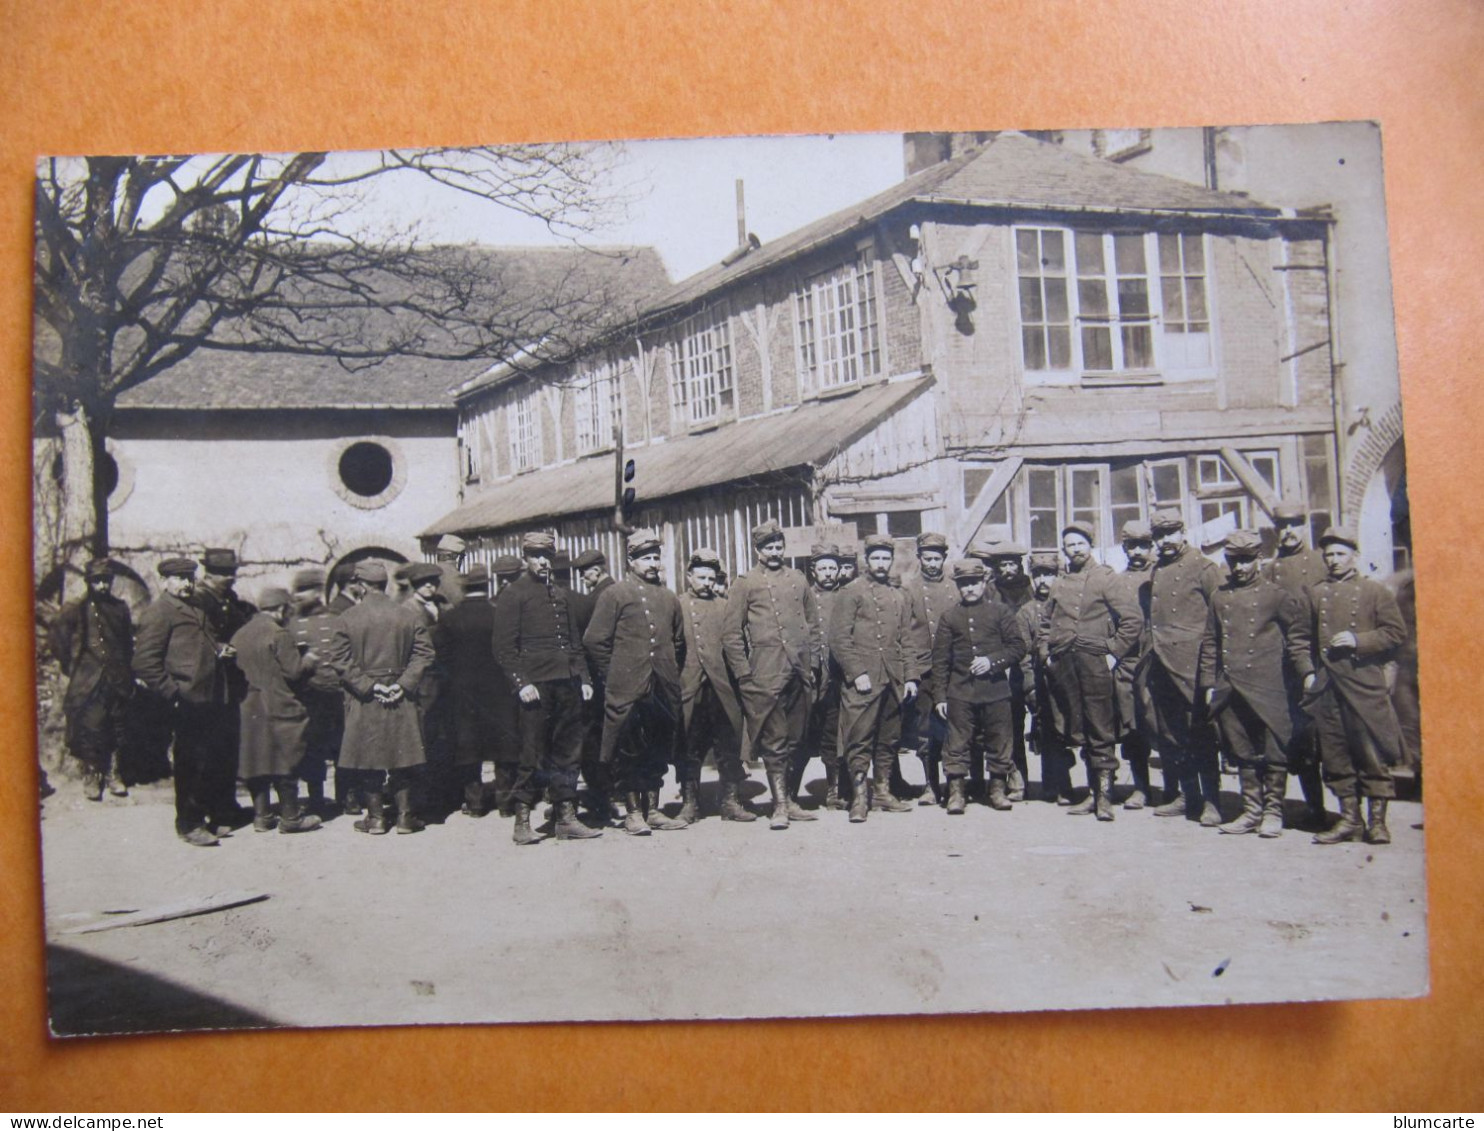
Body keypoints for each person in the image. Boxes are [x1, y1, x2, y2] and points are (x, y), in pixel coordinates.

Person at [1296, 525, 1409, 846]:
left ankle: (1377, 823)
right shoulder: (1315, 593)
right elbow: (1299, 639)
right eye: (1329, 554)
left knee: (1371, 754)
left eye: (1340, 554)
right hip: (1327, 687)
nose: (1333, 560)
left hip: (1364, 685)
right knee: (1335, 755)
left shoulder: (1375, 592)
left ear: (1355, 556)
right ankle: (1349, 819)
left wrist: (1359, 640)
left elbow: (1395, 633)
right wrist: (1307, 673)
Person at [1197, 530, 1311, 838]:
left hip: (1270, 686)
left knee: (1275, 749)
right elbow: (1210, 642)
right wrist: (1209, 683)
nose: (1239, 568)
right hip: (1231, 686)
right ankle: (1251, 811)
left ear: (1258, 560)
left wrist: (1301, 675)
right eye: (1234, 561)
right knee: (1242, 750)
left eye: (1246, 561)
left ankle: (1273, 811)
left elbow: (1297, 637)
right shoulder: (1219, 597)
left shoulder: (1277, 596)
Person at [491, 532, 597, 844]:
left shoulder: (561, 594)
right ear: (526, 557)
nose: (542, 561)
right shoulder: (514, 594)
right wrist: (521, 683)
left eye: (547, 556)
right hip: (535, 687)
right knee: (532, 752)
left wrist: (585, 679)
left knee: (568, 751)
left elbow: (574, 643)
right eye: (536, 555)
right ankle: (522, 820)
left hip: (566, 683)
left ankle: (565, 816)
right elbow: (503, 648)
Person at [584, 529, 688, 835]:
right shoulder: (615, 595)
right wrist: (615, 673)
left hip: (662, 687)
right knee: (629, 749)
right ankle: (632, 814)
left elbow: (679, 643)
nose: (653, 563)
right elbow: (594, 641)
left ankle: (653, 810)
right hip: (628, 689)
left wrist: (667, 671)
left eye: (656, 557)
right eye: (646, 558)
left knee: (657, 749)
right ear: (631, 561)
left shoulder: (669, 598)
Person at [721, 519, 822, 830]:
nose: (775, 552)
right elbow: (731, 634)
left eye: (779, 546)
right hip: (764, 674)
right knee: (774, 740)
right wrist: (744, 674)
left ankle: (790, 799)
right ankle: (779, 805)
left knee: (795, 738)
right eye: (769, 547)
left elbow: (813, 625)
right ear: (758, 550)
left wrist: (814, 663)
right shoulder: (745, 583)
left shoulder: (798, 579)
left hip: (799, 671)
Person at [1041, 521, 1142, 821]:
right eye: (1069, 545)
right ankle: (1090, 793)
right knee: (1079, 728)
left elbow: (1132, 620)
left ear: (1090, 545)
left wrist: (1113, 653)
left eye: (1080, 544)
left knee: (1100, 727)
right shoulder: (1059, 583)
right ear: (1064, 550)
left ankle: (1105, 797)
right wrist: (1046, 654)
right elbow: (1045, 624)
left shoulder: (1106, 579)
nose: (1075, 550)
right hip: (1065, 665)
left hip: (1095, 662)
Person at [326, 561, 435, 837]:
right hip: (401, 693)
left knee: (369, 757)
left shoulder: (347, 618)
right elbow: (424, 654)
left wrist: (369, 686)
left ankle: (375, 819)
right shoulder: (408, 616)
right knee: (403, 755)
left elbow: (339, 659)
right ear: (384, 584)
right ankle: (405, 818)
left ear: (360, 585)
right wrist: (403, 683)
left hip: (365, 697)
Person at [132, 557, 230, 846]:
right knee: (190, 762)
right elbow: (144, 662)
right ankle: (188, 824)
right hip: (185, 699)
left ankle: (205, 816)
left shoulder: (196, 606)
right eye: (179, 578)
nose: (187, 584)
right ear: (164, 581)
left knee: (208, 759)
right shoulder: (159, 612)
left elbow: (207, 641)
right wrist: (172, 692)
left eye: (190, 577)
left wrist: (222, 649)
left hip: (209, 695)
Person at [1137, 508, 1225, 825]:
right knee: (1172, 735)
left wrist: (1212, 671)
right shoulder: (1157, 569)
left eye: (1170, 533)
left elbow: (1220, 619)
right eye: (1159, 536)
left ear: (1182, 532)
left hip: (1193, 666)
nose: (1165, 541)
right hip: (1162, 664)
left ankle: (1212, 800)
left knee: (1200, 734)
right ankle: (1188, 795)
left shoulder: (1204, 568)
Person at [830, 533, 919, 823]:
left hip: (893, 678)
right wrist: (857, 674)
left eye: (885, 558)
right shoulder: (851, 592)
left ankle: (882, 791)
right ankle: (859, 797)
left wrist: (910, 677)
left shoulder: (899, 595)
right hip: (863, 681)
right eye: (875, 558)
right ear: (865, 560)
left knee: (889, 738)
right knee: (858, 738)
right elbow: (839, 639)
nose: (881, 563)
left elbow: (907, 638)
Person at [932, 559, 1027, 813]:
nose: (969, 588)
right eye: (964, 584)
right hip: (960, 692)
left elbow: (1018, 647)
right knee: (957, 743)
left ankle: (997, 790)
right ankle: (956, 793)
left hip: (995, 691)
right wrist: (940, 697)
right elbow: (940, 660)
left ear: (984, 582)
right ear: (958, 586)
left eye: (974, 582)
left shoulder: (1001, 612)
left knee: (999, 741)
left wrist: (992, 662)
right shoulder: (949, 617)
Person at [1262, 501, 1332, 829]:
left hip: (1322, 659)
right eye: (1282, 526)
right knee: (1298, 736)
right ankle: (1314, 808)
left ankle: (1350, 812)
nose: (1288, 532)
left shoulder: (1323, 562)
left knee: (1329, 735)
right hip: (1286, 663)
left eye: (1294, 525)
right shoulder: (1271, 569)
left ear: (1305, 526)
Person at [230, 587, 323, 834]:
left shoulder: (239, 634)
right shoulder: (278, 634)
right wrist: (310, 660)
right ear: (281, 609)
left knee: (256, 759)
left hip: (248, 704)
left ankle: (263, 816)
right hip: (277, 703)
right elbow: (293, 671)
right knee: (285, 758)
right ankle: (291, 817)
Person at [677, 547, 754, 823]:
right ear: (689, 576)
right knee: (690, 746)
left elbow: (740, 644)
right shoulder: (679, 605)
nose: (706, 583)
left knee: (728, 743)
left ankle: (730, 801)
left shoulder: (725, 606)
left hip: (722, 689)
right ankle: (690, 803)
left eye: (711, 578)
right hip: (691, 687)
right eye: (700, 577)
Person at [49, 559, 135, 802]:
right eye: (97, 581)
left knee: (118, 726)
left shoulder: (120, 608)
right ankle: (93, 775)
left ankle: (113, 774)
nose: (102, 585)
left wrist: (125, 671)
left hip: (117, 678)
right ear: (89, 582)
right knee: (92, 728)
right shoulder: (75, 608)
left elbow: (127, 643)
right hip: (88, 680)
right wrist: (72, 665)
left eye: (106, 581)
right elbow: (57, 641)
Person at [971, 536, 1034, 799]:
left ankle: (1019, 776)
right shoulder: (989, 591)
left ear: (1020, 565)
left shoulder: (1030, 588)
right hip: (997, 664)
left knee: (1017, 721)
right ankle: (992, 778)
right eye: (1002, 565)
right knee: (994, 723)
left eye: (1012, 565)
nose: (1007, 571)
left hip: (1025, 663)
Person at [441, 564, 504, 818]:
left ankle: (475, 803)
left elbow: (442, 658)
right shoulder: (498, 615)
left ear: (465, 588)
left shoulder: (449, 618)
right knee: (500, 745)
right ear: (487, 586)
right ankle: (506, 802)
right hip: (497, 692)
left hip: (462, 692)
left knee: (468, 746)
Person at [901, 532, 954, 806]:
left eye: (937, 558)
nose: (932, 563)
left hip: (952, 669)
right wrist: (911, 672)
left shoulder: (955, 588)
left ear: (944, 558)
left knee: (953, 726)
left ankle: (955, 785)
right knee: (925, 729)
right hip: (923, 669)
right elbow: (905, 635)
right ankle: (930, 785)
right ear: (919, 558)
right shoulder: (908, 589)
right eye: (927, 558)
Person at [288, 569, 344, 815]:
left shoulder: (335, 619)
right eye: (296, 591)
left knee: (342, 745)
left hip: (337, 693)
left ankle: (347, 796)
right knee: (313, 749)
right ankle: (316, 798)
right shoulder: (291, 624)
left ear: (317, 592)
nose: (298, 596)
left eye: (303, 590)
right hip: (309, 695)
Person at [570, 548, 620, 824]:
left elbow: (594, 641)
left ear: (597, 569)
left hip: (601, 675)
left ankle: (605, 791)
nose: (583, 577)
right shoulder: (613, 591)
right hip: (611, 674)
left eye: (585, 572)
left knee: (597, 734)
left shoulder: (601, 596)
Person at [403, 561, 454, 815]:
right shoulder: (408, 610)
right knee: (425, 738)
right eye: (424, 584)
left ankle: (445, 794)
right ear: (414, 586)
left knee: (443, 738)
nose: (430, 587)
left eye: (433, 583)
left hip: (444, 678)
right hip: (423, 681)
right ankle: (425, 799)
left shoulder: (443, 605)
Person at [1111, 521, 1155, 809]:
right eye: (1131, 546)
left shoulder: (1160, 576)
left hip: (1158, 662)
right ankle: (1141, 787)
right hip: (1128, 661)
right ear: (1124, 548)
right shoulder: (1118, 581)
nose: (1138, 551)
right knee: (1132, 726)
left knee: (1162, 725)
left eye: (1143, 545)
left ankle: (1178, 789)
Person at [1022, 551, 1073, 803]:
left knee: (1068, 731)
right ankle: (1053, 784)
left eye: (1049, 574)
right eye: (1038, 575)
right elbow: (1021, 653)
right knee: (1047, 731)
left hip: (1067, 680)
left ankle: (1069, 782)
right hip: (1041, 682)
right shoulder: (1026, 612)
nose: (1044, 581)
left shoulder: (1068, 605)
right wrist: (1029, 687)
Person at [803, 543, 849, 810]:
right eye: (823, 568)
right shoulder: (805, 597)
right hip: (811, 675)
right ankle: (788, 793)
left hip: (837, 676)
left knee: (834, 733)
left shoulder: (847, 596)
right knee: (801, 734)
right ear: (814, 571)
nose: (829, 573)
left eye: (833, 567)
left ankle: (834, 789)